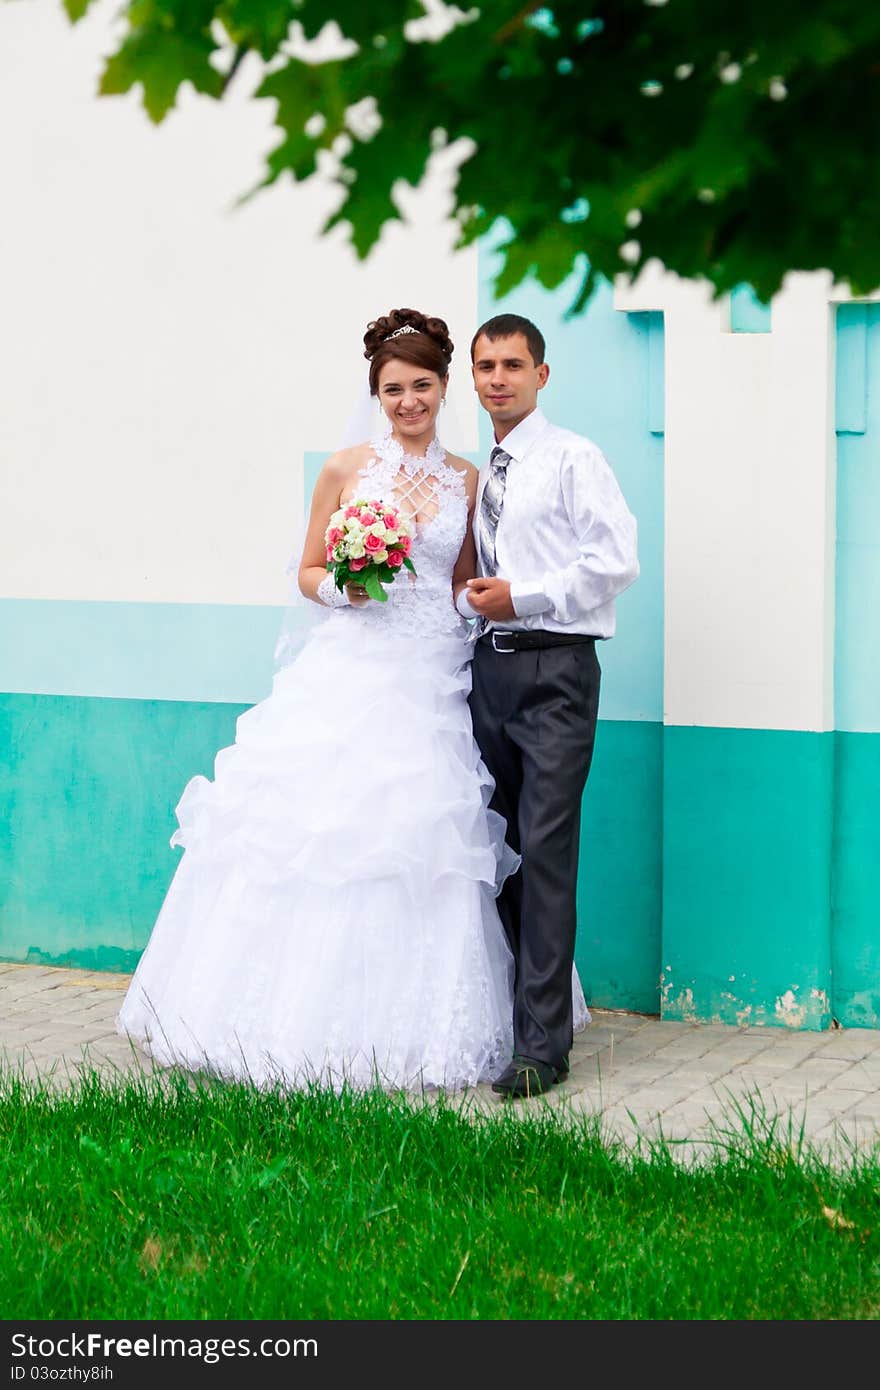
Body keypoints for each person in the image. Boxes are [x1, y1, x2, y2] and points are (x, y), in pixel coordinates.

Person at [117, 307, 590, 1091]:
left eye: (424, 386)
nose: (409, 401)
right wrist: (344, 583)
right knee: (324, 836)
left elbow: (461, 582)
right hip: (350, 668)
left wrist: (505, 609)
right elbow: (305, 571)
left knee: (430, 844)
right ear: (376, 393)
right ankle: (279, 1021)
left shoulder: (469, 481)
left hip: (435, 675)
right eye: (394, 389)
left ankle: (457, 1024)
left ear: (446, 389)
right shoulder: (343, 471)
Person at [459, 313, 639, 1099]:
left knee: (546, 847)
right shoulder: (479, 473)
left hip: (556, 672)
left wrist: (521, 598)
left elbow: (616, 560)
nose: (498, 378)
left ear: (542, 373)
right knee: (498, 851)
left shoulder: (573, 458)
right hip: (486, 678)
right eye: (486, 365)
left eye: (513, 364)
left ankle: (541, 1050)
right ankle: (523, 1015)